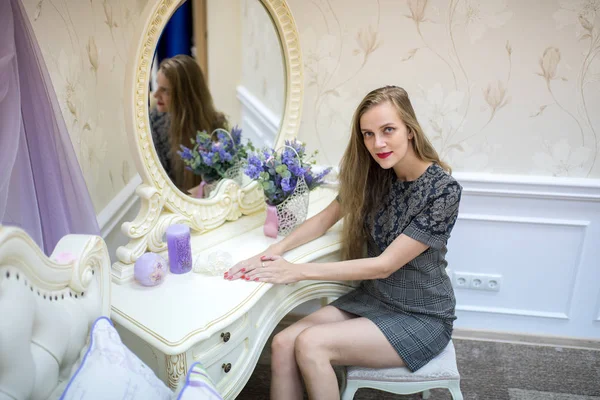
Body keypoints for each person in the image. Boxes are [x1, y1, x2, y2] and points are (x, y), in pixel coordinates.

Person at [225, 85, 462, 399]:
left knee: (312, 345)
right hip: (375, 300)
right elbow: (324, 219)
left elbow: (383, 265)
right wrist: (274, 251)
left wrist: (296, 271)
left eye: (388, 130)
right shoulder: (375, 173)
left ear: (410, 130)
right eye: (367, 134)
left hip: (420, 316)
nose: (377, 143)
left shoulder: (444, 191)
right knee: (283, 343)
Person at [149, 54, 228, 193]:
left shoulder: (216, 125)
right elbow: (163, 187)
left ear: (185, 95)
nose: (156, 95)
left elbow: (223, 180)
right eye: (157, 86)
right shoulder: (154, 126)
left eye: (165, 90)